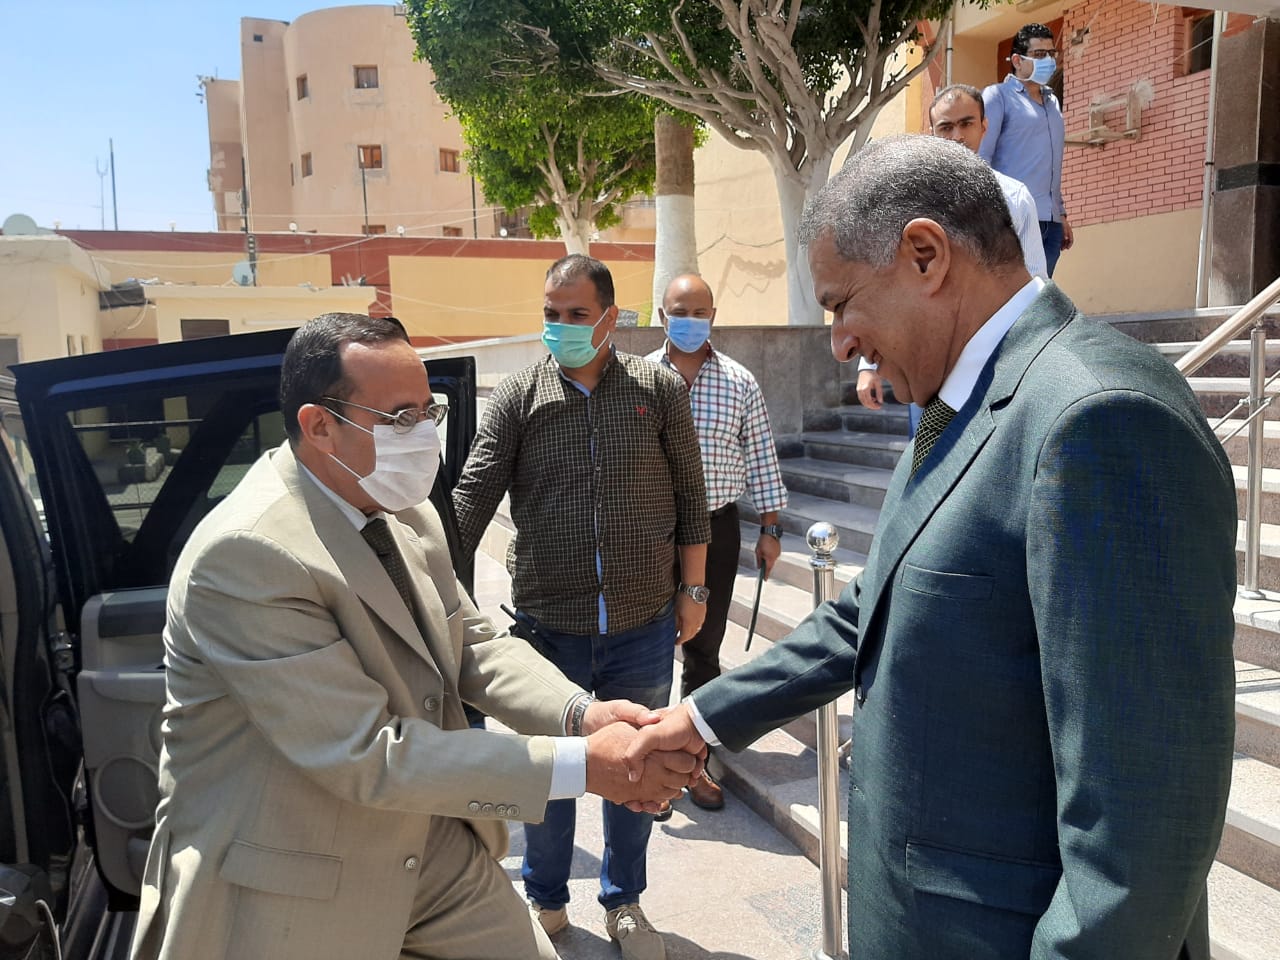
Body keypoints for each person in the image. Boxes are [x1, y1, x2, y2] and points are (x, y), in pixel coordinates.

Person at [624, 135, 1238, 960]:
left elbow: (1140, 833)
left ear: (925, 255)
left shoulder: (1100, 419)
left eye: (841, 304)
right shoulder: (967, 400)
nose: (839, 342)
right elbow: (870, 611)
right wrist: (701, 717)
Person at [130, 313, 700, 960]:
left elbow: (472, 644)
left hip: (430, 844)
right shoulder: (247, 554)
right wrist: (587, 766)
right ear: (320, 427)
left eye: (430, 412)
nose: (425, 434)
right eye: (402, 418)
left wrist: (583, 715)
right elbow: (367, 754)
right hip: (299, 875)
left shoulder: (407, 512)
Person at [452, 255, 710, 960]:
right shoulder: (519, 396)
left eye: (575, 314)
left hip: (643, 624)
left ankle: (625, 902)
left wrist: (693, 591)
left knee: (639, 767)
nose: (560, 326)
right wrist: (421, 573)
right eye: (550, 313)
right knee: (553, 775)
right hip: (548, 629)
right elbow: (471, 498)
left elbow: (691, 496)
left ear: (609, 317)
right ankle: (547, 899)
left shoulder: (657, 389)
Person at [644, 273, 789, 812]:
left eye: (699, 312)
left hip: (717, 528)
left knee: (704, 646)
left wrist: (770, 529)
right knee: (647, 646)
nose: (689, 321)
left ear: (713, 316)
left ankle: (692, 764)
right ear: (662, 316)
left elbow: (762, 456)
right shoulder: (638, 378)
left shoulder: (739, 381)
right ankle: (648, 769)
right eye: (679, 312)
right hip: (652, 529)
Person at [857, 82, 1049, 428]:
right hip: (927, 364)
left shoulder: (1014, 198)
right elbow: (884, 283)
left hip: (994, 365)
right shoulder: (909, 205)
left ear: (984, 126)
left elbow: (1035, 284)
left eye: (966, 123)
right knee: (930, 458)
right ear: (932, 132)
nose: (957, 136)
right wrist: (868, 365)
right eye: (946, 127)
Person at [979, 22, 1072, 276]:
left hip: (1050, 222)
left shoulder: (1052, 102)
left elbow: (1050, 165)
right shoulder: (998, 96)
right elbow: (982, 158)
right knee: (1016, 293)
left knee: (1041, 294)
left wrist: (1061, 214)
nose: (1049, 61)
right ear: (1017, 60)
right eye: (1039, 54)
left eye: (1051, 54)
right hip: (1013, 219)